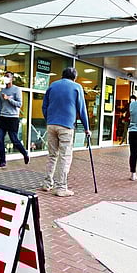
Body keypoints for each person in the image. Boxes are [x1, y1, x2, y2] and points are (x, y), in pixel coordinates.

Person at [41, 67, 91, 197]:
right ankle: (61, 187)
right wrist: (86, 128)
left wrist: (49, 119)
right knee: (65, 156)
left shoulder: (53, 85)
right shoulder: (76, 87)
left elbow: (44, 106)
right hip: (66, 126)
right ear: (74, 77)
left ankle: (47, 184)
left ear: (62, 75)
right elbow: (82, 109)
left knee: (52, 155)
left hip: (51, 124)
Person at [0, 71, 29, 169]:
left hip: (13, 118)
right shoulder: (2, 90)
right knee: (0, 140)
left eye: (8, 76)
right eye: (5, 76)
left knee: (14, 139)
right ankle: (2, 162)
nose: (6, 78)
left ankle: (25, 153)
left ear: (12, 78)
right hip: (3, 118)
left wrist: (8, 98)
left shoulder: (16, 90)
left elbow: (19, 104)